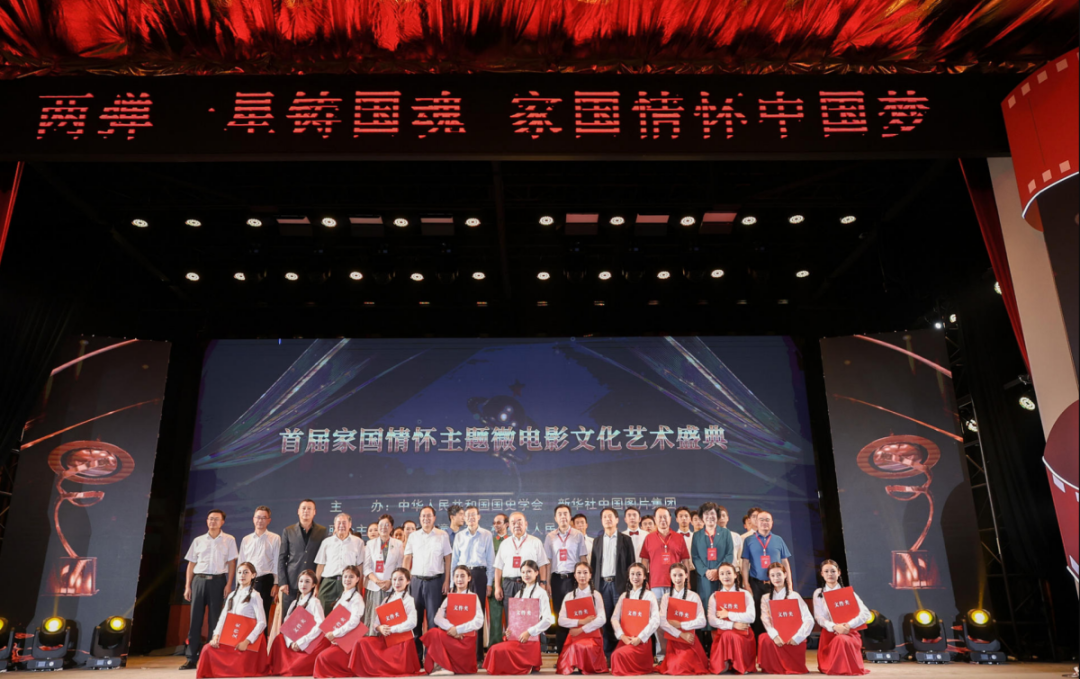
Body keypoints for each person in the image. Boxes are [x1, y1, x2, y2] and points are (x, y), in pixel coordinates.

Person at [182, 509, 238, 670]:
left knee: (215, 621)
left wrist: (229, 584)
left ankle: (212, 657)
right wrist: (187, 586)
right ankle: (191, 658)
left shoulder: (229, 540)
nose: (213, 521)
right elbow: (191, 564)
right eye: (210, 519)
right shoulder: (198, 540)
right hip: (198, 581)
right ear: (207, 521)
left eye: (216, 519)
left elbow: (232, 563)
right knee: (195, 620)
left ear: (222, 522)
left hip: (218, 581)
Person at [195, 561, 268, 678]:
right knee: (207, 649)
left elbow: (262, 622)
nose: (242, 575)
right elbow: (223, 618)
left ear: (253, 575)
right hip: (232, 636)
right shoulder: (232, 595)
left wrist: (247, 641)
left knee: (235, 664)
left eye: (246, 572)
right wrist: (216, 636)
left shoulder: (255, 596)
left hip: (248, 640)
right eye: (239, 572)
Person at [482, 560, 555, 675]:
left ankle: (526, 663)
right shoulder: (519, 593)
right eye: (523, 572)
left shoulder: (541, 593)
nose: (526, 575)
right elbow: (515, 619)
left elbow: (547, 620)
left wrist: (529, 632)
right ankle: (523, 664)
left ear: (537, 573)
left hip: (530, 639)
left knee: (497, 651)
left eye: (529, 571)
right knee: (493, 649)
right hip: (517, 638)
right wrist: (509, 630)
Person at [641, 506, 691, 662]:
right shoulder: (649, 538)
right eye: (659, 517)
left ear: (670, 519)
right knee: (659, 621)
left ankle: (675, 652)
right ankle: (662, 654)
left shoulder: (679, 537)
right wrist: (645, 581)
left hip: (676, 586)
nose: (662, 520)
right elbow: (644, 561)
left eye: (665, 517)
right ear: (655, 520)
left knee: (675, 620)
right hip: (655, 585)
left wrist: (687, 581)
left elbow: (685, 561)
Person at [349, 567, 422, 676]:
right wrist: (379, 628)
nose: (397, 582)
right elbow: (376, 623)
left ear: (408, 581)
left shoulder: (408, 600)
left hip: (401, 641)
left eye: (401, 579)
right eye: (394, 579)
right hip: (386, 639)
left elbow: (412, 622)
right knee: (361, 642)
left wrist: (391, 629)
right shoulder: (386, 600)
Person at [403, 505, 452, 662]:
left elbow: (448, 559)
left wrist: (447, 580)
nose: (426, 518)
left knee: (433, 623)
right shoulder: (413, 536)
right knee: (415, 622)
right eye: (423, 516)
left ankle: (432, 659)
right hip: (416, 582)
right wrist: (404, 580)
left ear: (434, 518)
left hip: (435, 583)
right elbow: (407, 558)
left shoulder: (442, 535)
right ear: (420, 518)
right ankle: (416, 660)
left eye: (429, 516)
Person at [589, 507, 637, 660]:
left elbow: (631, 564)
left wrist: (630, 586)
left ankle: (622, 653)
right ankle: (607, 655)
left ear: (617, 520)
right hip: (602, 585)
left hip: (619, 585)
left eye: (611, 516)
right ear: (601, 521)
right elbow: (593, 566)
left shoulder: (626, 540)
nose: (608, 519)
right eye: (605, 517)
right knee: (604, 620)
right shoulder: (597, 541)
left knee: (622, 619)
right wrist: (593, 587)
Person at [449, 505, 494, 662]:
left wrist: (489, 583)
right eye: (468, 515)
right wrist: (452, 583)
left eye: (474, 515)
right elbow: (454, 560)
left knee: (477, 614)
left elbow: (490, 561)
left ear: (479, 517)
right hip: (461, 576)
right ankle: (461, 653)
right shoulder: (459, 536)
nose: (471, 518)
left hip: (479, 575)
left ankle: (478, 655)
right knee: (461, 614)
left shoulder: (486, 534)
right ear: (464, 518)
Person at [422, 565, 486, 675]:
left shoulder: (473, 597)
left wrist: (459, 629)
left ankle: (448, 666)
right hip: (452, 635)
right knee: (433, 633)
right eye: (457, 576)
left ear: (469, 578)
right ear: (453, 579)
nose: (459, 579)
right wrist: (452, 628)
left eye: (462, 576)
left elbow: (479, 621)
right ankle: (445, 666)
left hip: (466, 638)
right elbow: (437, 618)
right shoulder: (449, 597)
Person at [544, 504, 590, 654]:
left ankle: (576, 653)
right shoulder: (550, 537)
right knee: (560, 616)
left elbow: (583, 559)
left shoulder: (578, 535)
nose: (563, 516)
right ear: (555, 518)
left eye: (565, 514)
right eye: (560, 514)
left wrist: (585, 580)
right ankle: (562, 655)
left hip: (573, 580)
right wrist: (547, 582)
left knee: (575, 614)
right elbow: (548, 562)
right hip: (557, 580)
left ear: (570, 517)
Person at [690, 502, 734, 655]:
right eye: (706, 514)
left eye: (713, 514)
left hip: (723, 579)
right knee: (705, 606)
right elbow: (695, 557)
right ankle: (706, 645)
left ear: (717, 516)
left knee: (722, 607)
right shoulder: (697, 535)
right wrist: (706, 572)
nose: (710, 517)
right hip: (704, 578)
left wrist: (718, 571)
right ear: (702, 517)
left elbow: (729, 554)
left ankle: (722, 645)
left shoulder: (725, 533)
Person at [813, 560, 870, 676]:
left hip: (849, 632)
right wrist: (834, 626)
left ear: (839, 572)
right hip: (830, 633)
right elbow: (819, 617)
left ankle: (842, 667)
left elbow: (865, 614)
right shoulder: (819, 593)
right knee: (839, 639)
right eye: (826, 571)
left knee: (842, 639)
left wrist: (848, 625)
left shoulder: (848, 592)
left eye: (833, 571)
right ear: (822, 574)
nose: (830, 574)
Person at [740, 511, 792, 636]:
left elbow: (785, 563)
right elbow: (745, 563)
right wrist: (746, 584)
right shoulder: (749, 540)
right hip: (756, 583)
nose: (765, 522)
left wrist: (789, 583)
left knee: (777, 613)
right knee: (758, 615)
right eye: (761, 520)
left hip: (777, 584)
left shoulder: (778, 540)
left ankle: (779, 639)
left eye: (767, 520)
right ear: (756, 522)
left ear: (772, 523)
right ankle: (760, 643)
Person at [757, 562, 813, 675]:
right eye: (772, 575)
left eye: (779, 574)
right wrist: (775, 636)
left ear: (785, 575)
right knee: (764, 638)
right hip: (778, 636)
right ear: (769, 578)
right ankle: (772, 667)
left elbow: (809, 619)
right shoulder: (765, 598)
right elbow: (766, 620)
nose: (776, 578)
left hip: (793, 637)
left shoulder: (794, 596)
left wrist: (798, 637)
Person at [311, 565, 366, 678]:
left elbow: (354, 622)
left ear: (357, 579)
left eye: (351, 577)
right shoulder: (342, 595)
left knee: (322, 658)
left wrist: (336, 634)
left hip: (348, 641)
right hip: (336, 639)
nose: (347, 579)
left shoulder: (357, 598)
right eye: (345, 576)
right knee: (314, 648)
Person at [269, 570, 327, 676]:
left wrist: (302, 642)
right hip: (294, 639)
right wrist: (291, 642)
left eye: (307, 581)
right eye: (301, 581)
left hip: (309, 639)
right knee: (279, 639)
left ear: (314, 585)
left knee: (293, 669)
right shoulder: (294, 603)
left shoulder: (315, 602)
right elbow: (286, 625)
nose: (303, 584)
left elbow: (320, 625)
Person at [556, 562, 608, 675]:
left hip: (592, 636)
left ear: (590, 575)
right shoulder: (569, 596)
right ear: (574, 575)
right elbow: (560, 620)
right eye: (579, 573)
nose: (582, 576)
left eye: (585, 572)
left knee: (578, 647)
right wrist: (580, 621)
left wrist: (581, 629)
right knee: (562, 667)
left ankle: (582, 664)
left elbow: (602, 619)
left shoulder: (596, 595)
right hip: (574, 636)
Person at [655, 563, 708, 675]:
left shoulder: (693, 596)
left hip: (689, 639)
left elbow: (702, 621)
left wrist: (681, 625)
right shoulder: (666, 597)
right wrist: (680, 634)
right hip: (673, 639)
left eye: (680, 575)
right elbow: (662, 622)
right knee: (676, 666)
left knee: (681, 665)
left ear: (686, 575)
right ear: (670, 576)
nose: (677, 578)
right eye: (674, 575)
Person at [278, 499, 328, 614]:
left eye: (309, 508)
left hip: (313, 583)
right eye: (303, 508)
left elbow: (324, 558)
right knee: (289, 617)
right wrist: (283, 582)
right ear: (298, 511)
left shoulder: (322, 531)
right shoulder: (288, 531)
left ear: (314, 512)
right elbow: (282, 558)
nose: (306, 511)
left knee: (310, 617)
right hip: (292, 582)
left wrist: (319, 583)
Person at [610, 563, 660, 676]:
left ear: (645, 576)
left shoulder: (649, 595)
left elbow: (655, 620)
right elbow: (614, 618)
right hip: (626, 639)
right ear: (628, 576)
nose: (635, 577)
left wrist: (640, 638)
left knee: (618, 656)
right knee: (615, 657)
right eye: (632, 574)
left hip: (642, 642)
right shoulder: (624, 596)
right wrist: (622, 636)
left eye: (639, 574)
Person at [706, 563, 756, 675]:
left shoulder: (745, 594)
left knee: (729, 635)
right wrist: (732, 625)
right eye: (722, 574)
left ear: (735, 575)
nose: (726, 576)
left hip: (743, 635)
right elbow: (711, 620)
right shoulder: (714, 596)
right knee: (727, 635)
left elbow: (751, 617)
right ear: (718, 577)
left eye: (729, 573)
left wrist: (728, 614)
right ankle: (730, 663)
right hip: (722, 636)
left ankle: (736, 663)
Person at [238, 506, 280, 628]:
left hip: (265, 581)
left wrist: (276, 583)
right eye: (258, 517)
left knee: (263, 615)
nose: (260, 520)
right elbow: (241, 562)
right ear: (253, 519)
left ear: (269, 520)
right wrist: (239, 585)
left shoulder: (275, 538)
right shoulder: (246, 539)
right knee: (245, 615)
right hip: (247, 582)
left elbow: (277, 561)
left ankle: (262, 641)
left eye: (263, 518)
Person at [315, 513, 366, 614]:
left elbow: (360, 566)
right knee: (323, 613)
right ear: (334, 525)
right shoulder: (326, 542)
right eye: (339, 523)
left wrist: (359, 587)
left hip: (348, 583)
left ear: (350, 524)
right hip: (329, 582)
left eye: (344, 522)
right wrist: (316, 587)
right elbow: (320, 565)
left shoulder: (358, 542)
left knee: (345, 615)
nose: (341, 525)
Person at [363, 514, 405, 634]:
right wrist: (377, 581)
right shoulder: (370, 544)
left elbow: (400, 567)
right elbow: (366, 568)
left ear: (391, 528)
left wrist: (390, 581)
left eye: (387, 525)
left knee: (389, 619)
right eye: (381, 525)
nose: (384, 527)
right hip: (374, 587)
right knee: (373, 620)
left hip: (391, 587)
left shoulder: (398, 544)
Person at [487, 512, 511, 648]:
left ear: (507, 524)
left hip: (510, 584)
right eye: (494, 523)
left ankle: (510, 647)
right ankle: (494, 648)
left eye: (499, 522)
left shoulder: (513, 541)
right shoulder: (490, 541)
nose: (496, 525)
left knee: (512, 618)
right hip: (494, 584)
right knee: (495, 618)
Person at [674, 507, 696, 594]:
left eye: (686, 516)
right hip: (678, 573)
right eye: (681, 516)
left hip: (695, 572)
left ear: (690, 519)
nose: (684, 518)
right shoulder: (672, 538)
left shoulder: (696, 537)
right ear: (676, 519)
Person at [716, 505, 743, 576]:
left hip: (734, 572)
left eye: (723, 516)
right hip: (716, 572)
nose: (721, 518)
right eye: (719, 516)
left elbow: (740, 558)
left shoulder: (736, 536)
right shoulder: (709, 537)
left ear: (727, 518)